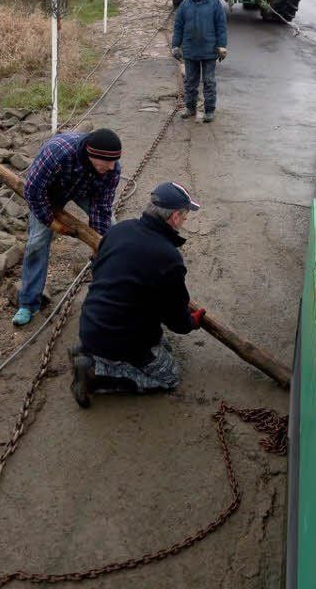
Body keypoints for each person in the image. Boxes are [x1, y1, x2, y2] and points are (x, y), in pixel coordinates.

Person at [69, 181, 206, 408]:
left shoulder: (120, 229)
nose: (185, 220)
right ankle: (94, 375)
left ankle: (87, 350)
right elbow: (176, 321)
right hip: (120, 337)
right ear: (174, 217)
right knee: (169, 376)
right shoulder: (168, 257)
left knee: (164, 347)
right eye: (184, 215)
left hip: (92, 322)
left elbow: (98, 267)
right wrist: (191, 322)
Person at [12, 128, 122, 326]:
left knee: (111, 233)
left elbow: (102, 207)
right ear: (91, 155)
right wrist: (52, 222)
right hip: (49, 191)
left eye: (115, 162)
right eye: (108, 163)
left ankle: (108, 285)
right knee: (37, 241)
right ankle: (28, 303)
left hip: (83, 189)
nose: (113, 167)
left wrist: (98, 244)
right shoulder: (57, 153)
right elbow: (33, 191)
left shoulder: (111, 169)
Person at [172, 0, 227, 123]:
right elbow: (178, 27)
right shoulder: (184, 5)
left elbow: (221, 26)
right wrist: (175, 45)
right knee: (190, 81)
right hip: (190, 51)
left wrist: (222, 45)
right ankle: (190, 108)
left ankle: (209, 110)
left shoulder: (214, 2)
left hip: (209, 50)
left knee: (209, 81)